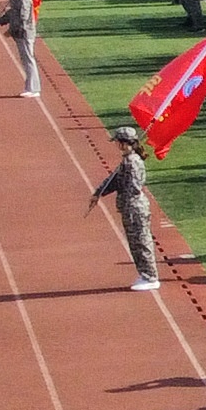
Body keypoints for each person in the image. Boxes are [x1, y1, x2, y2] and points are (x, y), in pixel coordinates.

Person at [86, 125, 162, 292]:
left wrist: (124, 201)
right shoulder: (127, 160)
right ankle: (144, 273)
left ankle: (150, 277)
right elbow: (114, 180)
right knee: (135, 243)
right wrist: (98, 193)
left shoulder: (132, 162)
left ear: (123, 143)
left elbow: (132, 187)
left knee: (141, 242)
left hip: (134, 208)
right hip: (130, 208)